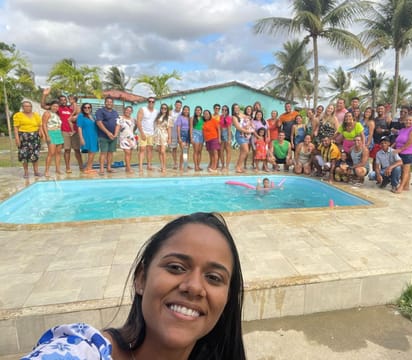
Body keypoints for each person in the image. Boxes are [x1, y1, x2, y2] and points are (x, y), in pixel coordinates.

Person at [21, 212, 246, 360]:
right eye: (176, 267)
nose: (195, 287)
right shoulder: (83, 351)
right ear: (141, 278)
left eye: (214, 278)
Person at [41, 88, 83, 173]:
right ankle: (67, 168)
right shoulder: (57, 109)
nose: (63, 101)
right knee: (66, 150)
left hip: (73, 132)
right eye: (61, 100)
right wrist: (44, 95)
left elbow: (79, 111)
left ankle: (81, 167)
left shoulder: (70, 108)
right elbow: (43, 106)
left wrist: (74, 103)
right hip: (63, 132)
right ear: (59, 101)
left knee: (77, 150)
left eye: (65, 100)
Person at [13, 100, 43, 178]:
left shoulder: (36, 115)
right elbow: (16, 128)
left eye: (29, 106)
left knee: (35, 154)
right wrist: (17, 138)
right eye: (26, 106)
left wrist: (40, 132)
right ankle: (26, 172)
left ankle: (36, 171)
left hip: (35, 137)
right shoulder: (18, 115)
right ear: (22, 107)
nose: (28, 108)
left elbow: (40, 125)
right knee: (24, 155)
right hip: (24, 136)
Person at [391, 115, 412, 194]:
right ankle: (406, 186)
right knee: (404, 170)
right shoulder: (402, 130)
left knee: (405, 170)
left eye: (410, 120)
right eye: (406, 120)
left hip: (410, 152)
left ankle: (401, 187)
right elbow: (397, 141)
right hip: (401, 151)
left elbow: (410, 142)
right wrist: (391, 148)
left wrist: (400, 149)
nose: (408, 122)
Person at [95, 96, 120, 175]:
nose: (109, 103)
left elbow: (118, 123)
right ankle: (101, 169)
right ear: (105, 102)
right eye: (107, 102)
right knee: (103, 152)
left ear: (113, 103)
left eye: (111, 102)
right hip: (103, 136)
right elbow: (99, 122)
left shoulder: (115, 112)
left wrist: (115, 134)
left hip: (113, 136)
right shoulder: (100, 111)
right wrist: (107, 133)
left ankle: (109, 167)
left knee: (110, 152)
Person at [42, 100, 64, 177]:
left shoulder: (57, 114)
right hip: (51, 133)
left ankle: (57, 169)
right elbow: (44, 124)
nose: (56, 108)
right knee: (51, 153)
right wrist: (47, 135)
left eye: (57, 106)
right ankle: (46, 171)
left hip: (58, 133)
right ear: (51, 106)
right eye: (54, 106)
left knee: (58, 153)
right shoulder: (47, 113)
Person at [137, 97, 159, 172]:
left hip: (152, 133)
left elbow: (157, 123)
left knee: (150, 150)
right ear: (147, 102)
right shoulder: (142, 109)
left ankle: (149, 165)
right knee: (142, 149)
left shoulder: (156, 111)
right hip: (143, 132)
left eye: (153, 102)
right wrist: (142, 133)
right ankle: (140, 167)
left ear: (154, 103)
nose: (151, 103)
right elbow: (138, 122)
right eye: (150, 101)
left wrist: (156, 134)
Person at [77, 103, 99, 175]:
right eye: (85, 107)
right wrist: (81, 138)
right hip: (86, 135)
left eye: (89, 107)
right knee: (91, 151)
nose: (87, 109)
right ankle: (88, 168)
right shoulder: (81, 116)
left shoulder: (93, 116)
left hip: (94, 135)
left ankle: (89, 167)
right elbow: (79, 127)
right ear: (83, 109)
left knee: (93, 152)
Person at [232, 103, 253, 173]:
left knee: (242, 152)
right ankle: (238, 167)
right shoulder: (234, 117)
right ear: (233, 109)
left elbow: (248, 118)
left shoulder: (242, 115)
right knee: (246, 151)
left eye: (238, 108)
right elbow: (238, 128)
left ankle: (239, 166)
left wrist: (249, 125)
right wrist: (248, 131)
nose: (237, 109)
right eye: (235, 108)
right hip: (240, 135)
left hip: (245, 134)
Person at [117, 106, 137, 174]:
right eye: (127, 110)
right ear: (124, 110)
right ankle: (129, 168)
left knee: (130, 153)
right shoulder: (120, 118)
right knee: (127, 152)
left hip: (131, 138)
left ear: (131, 112)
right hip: (124, 138)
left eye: (130, 110)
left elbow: (135, 127)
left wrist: (132, 133)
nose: (128, 111)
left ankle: (127, 167)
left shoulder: (133, 119)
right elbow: (118, 127)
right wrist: (115, 134)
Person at [154, 103, 173, 173]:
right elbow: (155, 126)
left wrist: (169, 138)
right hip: (157, 134)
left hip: (164, 135)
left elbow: (169, 129)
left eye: (165, 108)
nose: (163, 109)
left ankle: (164, 166)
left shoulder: (169, 118)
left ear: (167, 109)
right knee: (159, 151)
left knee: (163, 151)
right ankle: (161, 165)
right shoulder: (158, 116)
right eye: (162, 108)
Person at [176, 105, 191, 171]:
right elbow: (178, 127)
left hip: (188, 134)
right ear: (183, 110)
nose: (186, 111)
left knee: (186, 151)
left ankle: (185, 165)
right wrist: (179, 137)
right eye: (185, 109)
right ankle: (181, 166)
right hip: (182, 134)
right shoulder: (180, 117)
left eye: (187, 110)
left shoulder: (189, 118)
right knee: (184, 151)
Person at [190, 106, 205, 172]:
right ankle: (195, 166)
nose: (198, 111)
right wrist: (191, 137)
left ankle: (198, 165)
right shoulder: (192, 118)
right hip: (195, 134)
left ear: (201, 111)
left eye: (199, 110)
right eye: (196, 110)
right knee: (196, 151)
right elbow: (191, 128)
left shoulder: (203, 118)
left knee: (200, 151)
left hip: (202, 135)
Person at [169, 100, 183, 169]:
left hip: (182, 134)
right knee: (174, 149)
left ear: (181, 106)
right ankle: (175, 163)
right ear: (175, 105)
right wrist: (169, 135)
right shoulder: (171, 113)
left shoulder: (183, 112)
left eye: (179, 105)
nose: (178, 106)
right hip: (173, 134)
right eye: (177, 105)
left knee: (184, 149)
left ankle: (185, 163)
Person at [219, 105, 232, 172]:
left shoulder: (228, 118)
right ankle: (223, 165)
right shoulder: (220, 117)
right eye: (223, 109)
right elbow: (219, 127)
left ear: (227, 111)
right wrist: (219, 137)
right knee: (221, 151)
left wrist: (229, 139)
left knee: (228, 151)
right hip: (221, 134)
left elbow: (229, 129)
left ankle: (227, 166)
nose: (224, 111)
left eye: (225, 110)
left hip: (227, 134)